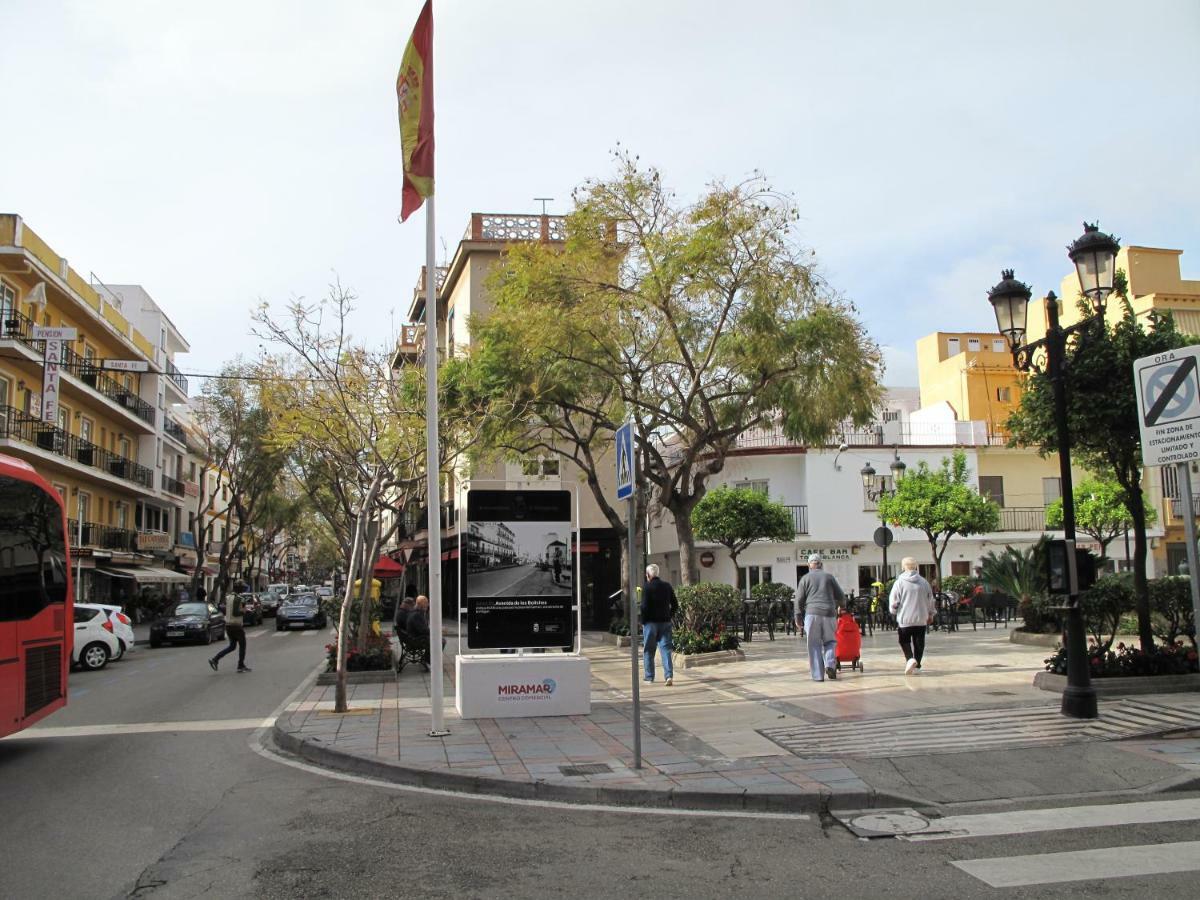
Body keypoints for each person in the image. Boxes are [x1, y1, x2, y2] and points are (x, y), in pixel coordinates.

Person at [795, 554, 845, 682]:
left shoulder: (805, 579)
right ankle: (829, 664)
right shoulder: (829, 577)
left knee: (814, 644)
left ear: (809, 565)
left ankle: (818, 676)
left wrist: (798, 616)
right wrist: (841, 607)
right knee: (830, 641)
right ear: (821, 564)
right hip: (829, 613)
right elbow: (841, 596)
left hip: (812, 614)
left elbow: (799, 600)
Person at [889, 557, 936, 675]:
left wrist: (893, 611)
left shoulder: (899, 582)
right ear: (915, 567)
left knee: (904, 640)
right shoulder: (924, 582)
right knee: (919, 642)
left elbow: (894, 601)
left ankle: (910, 659)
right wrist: (931, 613)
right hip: (921, 618)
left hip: (905, 618)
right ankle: (917, 665)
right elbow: (931, 600)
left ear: (903, 567)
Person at [641, 564, 678, 685]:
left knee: (648, 651)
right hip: (665, 622)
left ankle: (649, 677)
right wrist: (669, 615)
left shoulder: (646, 587)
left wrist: (643, 621)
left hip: (650, 623)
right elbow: (675, 604)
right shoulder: (667, 586)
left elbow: (644, 606)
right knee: (666, 649)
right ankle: (668, 676)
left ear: (648, 575)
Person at [209, 592, 250, 673]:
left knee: (232, 646)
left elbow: (225, 609)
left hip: (228, 625)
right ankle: (240, 665)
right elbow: (236, 612)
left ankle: (215, 659)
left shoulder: (228, 598)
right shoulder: (239, 599)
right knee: (242, 645)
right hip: (236, 625)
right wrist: (244, 611)